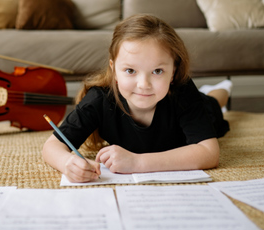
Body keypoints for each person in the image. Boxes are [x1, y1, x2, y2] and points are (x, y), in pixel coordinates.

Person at [42, 14, 231, 183]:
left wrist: (137, 162)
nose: (143, 84)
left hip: (198, 106)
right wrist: (66, 162)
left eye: (157, 71)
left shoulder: (182, 92)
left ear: (173, 72)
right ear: (114, 69)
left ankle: (221, 89)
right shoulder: (99, 99)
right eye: (130, 70)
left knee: (213, 104)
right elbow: (51, 146)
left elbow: (209, 153)